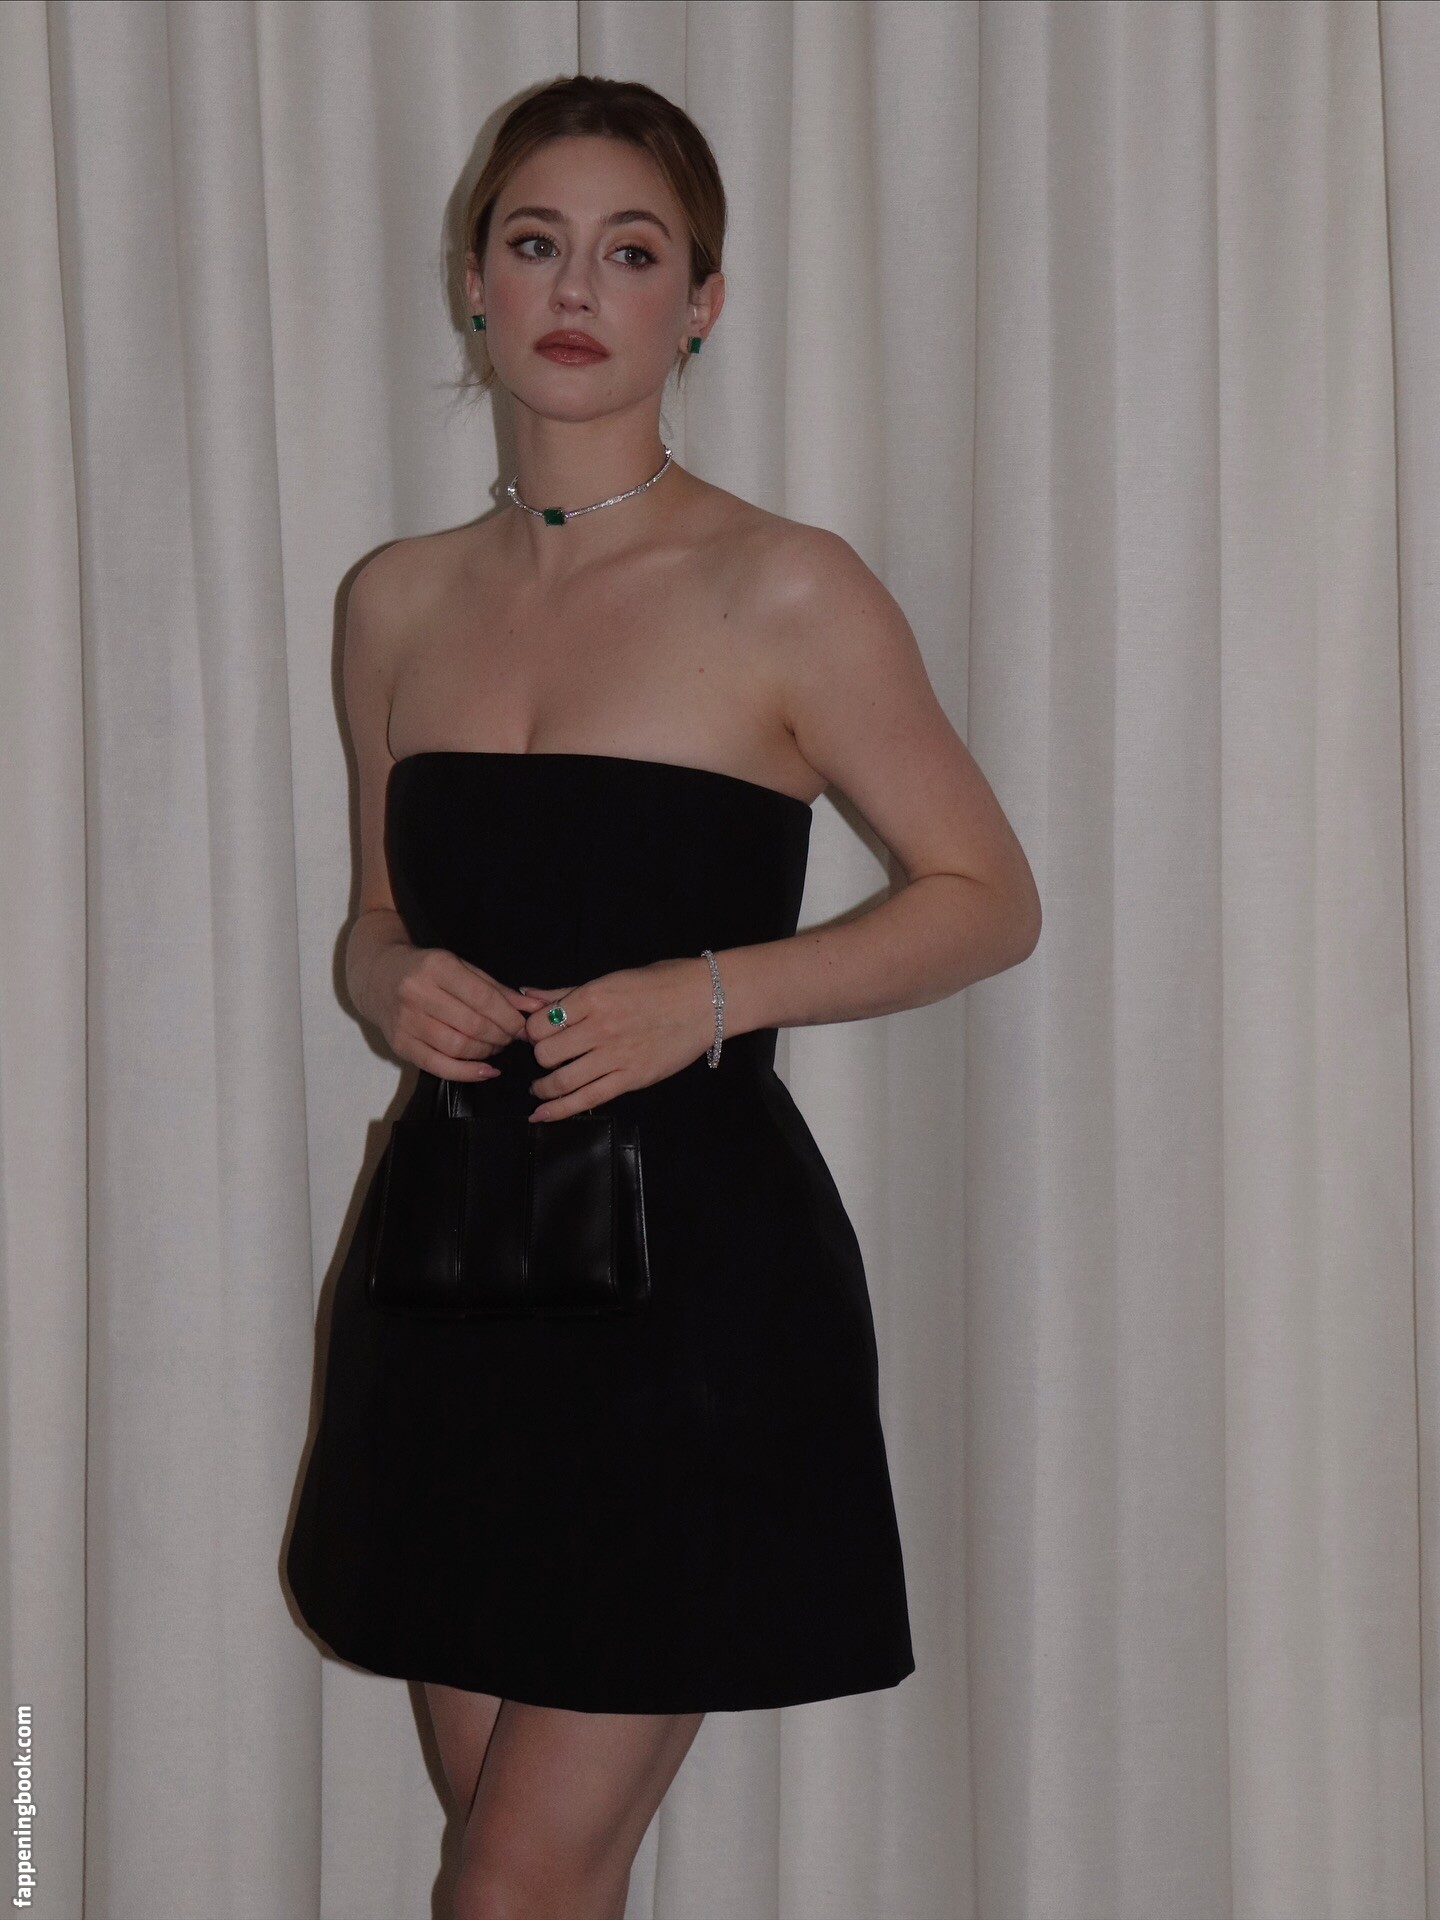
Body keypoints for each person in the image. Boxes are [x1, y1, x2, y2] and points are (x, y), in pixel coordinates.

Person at [285, 73, 1041, 1920]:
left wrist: (706, 997)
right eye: (535, 241)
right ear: (473, 278)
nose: (576, 286)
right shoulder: (395, 603)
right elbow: (375, 914)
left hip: (693, 1293)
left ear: (700, 302)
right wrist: (391, 979)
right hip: (449, 1268)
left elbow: (988, 900)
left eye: (633, 253)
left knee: (511, 1884)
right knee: (533, 1874)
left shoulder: (786, 589)